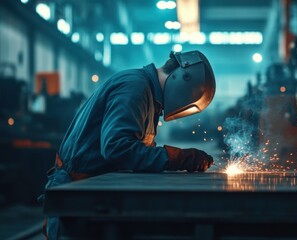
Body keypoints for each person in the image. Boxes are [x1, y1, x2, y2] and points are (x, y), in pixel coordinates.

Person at [40, 50, 216, 239]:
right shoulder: (135, 87)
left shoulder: (149, 95)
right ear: (184, 80)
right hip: (77, 192)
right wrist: (178, 158)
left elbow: (137, 148)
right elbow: (117, 147)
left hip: (94, 190)